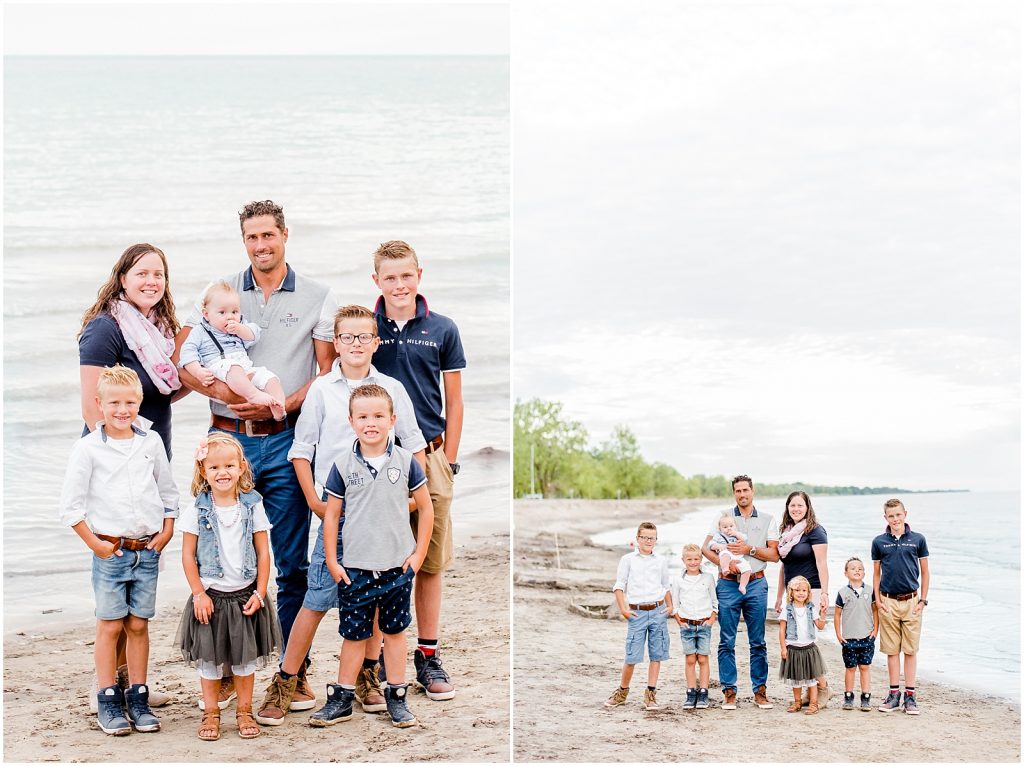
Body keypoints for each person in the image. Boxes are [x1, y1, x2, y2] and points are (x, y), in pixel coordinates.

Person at [176, 199, 337, 711]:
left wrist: (282, 403)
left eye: (269, 235)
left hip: (288, 443)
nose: (261, 245)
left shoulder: (316, 295)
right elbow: (186, 363)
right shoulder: (220, 291)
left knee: (288, 565)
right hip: (227, 442)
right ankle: (225, 671)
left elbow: (325, 376)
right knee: (219, 558)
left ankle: (294, 674)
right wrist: (226, 395)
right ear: (243, 240)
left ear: (285, 234)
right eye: (251, 238)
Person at [256, 305, 427, 726]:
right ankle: (287, 679)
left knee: (375, 601)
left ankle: (368, 677)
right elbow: (301, 449)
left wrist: (405, 501)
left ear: (375, 341)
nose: (354, 345)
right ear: (335, 342)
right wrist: (315, 500)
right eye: (346, 337)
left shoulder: (391, 389)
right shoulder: (321, 389)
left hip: (383, 512)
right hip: (338, 510)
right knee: (316, 598)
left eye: (362, 337)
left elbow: (413, 444)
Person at [79, 243, 183, 712]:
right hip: (112, 466)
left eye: (158, 274)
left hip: (149, 457)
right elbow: (92, 404)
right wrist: (122, 447)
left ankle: (129, 682)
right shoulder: (107, 327)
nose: (151, 281)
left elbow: (158, 396)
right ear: (122, 278)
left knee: (138, 590)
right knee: (115, 589)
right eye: (141, 273)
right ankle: (114, 687)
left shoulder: (160, 332)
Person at [59, 365, 179, 735]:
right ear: (99, 404)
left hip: (148, 549)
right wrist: (96, 545)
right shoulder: (88, 448)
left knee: (139, 624)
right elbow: (71, 507)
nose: (122, 410)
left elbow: (168, 492)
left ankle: (138, 698)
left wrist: (167, 531)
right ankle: (107, 699)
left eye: (129, 402)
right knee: (110, 625)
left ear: (140, 402)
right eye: (114, 403)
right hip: (110, 551)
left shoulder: (150, 441)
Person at [370, 240, 464, 700]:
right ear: (377, 282)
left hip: (429, 456)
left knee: (428, 563)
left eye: (406, 275)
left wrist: (449, 459)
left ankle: (428, 656)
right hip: (380, 460)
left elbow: (455, 398)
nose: (399, 284)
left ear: (419, 275)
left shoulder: (443, 329)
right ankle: (374, 662)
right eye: (390, 277)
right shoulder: (366, 330)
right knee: (378, 561)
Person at [309, 384, 434, 729]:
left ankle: (396, 696)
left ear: (392, 420)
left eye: (379, 416)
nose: (371, 423)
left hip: (396, 567)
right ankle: (342, 698)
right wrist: (334, 562)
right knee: (353, 636)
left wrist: (419, 553)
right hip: (355, 569)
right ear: (351, 421)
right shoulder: (342, 464)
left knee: (394, 634)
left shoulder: (407, 462)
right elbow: (332, 515)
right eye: (363, 416)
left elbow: (426, 508)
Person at [176, 433, 282, 741]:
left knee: (244, 660)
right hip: (210, 597)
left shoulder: (252, 506)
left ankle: (244, 710)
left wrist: (261, 592)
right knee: (209, 661)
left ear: (241, 467)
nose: (222, 473)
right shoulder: (197, 510)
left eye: (229, 466)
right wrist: (198, 593)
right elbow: (187, 555)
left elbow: (263, 552)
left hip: (246, 595)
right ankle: (211, 712)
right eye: (214, 467)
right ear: (203, 472)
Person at [701, 474, 780, 710]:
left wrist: (750, 550)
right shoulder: (723, 516)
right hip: (727, 584)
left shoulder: (767, 519)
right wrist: (725, 565)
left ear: (752, 491)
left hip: (756, 583)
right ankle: (729, 691)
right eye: (738, 491)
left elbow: (775, 555)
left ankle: (760, 691)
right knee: (727, 639)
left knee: (758, 641)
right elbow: (705, 548)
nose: (742, 495)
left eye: (746, 490)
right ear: (734, 493)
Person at [179, 281, 287, 421]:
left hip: (244, 366)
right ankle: (253, 395)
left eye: (234, 311)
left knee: (269, 377)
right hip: (219, 365)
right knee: (233, 367)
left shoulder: (239, 325)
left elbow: (254, 334)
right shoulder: (200, 331)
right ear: (206, 315)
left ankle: (278, 405)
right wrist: (198, 372)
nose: (230, 316)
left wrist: (239, 329)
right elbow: (187, 353)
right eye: (222, 312)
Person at [605, 522, 673, 711]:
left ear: (656, 540)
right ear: (637, 538)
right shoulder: (628, 559)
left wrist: (671, 606)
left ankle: (650, 694)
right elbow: (619, 586)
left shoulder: (660, 561)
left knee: (656, 655)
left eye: (652, 538)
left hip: (658, 611)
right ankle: (622, 692)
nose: (649, 541)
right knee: (632, 655)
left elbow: (666, 586)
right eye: (645, 537)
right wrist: (624, 610)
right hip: (637, 612)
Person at [871, 498, 929, 715]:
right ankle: (894, 694)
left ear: (905, 514)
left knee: (911, 650)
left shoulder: (918, 540)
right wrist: (878, 600)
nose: (895, 519)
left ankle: (910, 696)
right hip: (888, 602)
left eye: (898, 515)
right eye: (891, 516)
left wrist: (923, 600)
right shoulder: (879, 542)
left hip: (912, 602)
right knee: (891, 650)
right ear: (885, 518)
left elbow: (925, 571)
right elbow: (876, 574)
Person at [773, 490, 831, 706]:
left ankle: (822, 688)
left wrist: (824, 593)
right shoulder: (786, 532)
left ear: (808, 507)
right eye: (792, 505)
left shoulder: (815, 531)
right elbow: (784, 567)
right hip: (791, 593)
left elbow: (822, 563)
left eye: (800, 505)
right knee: (796, 641)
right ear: (787, 508)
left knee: (809, 643)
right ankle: (812, 689)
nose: (796, 509)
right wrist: (779, 596)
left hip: (811, 591)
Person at [669, 543, 717, 710]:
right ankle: (691, 692)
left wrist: (711, 619)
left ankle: (703, 692)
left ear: (701, 559)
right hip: (687, 625)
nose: (693, 562)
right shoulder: (678, 580)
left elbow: (714, 601)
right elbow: (675, 603)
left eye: (696, 559)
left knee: (703, 658)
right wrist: (679, 620)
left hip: (704, 623)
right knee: (690, 659)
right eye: (689, 559)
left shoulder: (708, 578)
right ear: (683, 560)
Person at [778, 575, 828, 715]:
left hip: (809, 648)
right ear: (791, 593)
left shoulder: (811, 609)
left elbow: (820, 626)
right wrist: (783, 648)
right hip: (793, 648)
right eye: (797, 590)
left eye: (804, 590)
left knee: (812, 679)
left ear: (808, 593)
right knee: (796, 679)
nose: (801, 593)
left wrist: (823, 614)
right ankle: (797, 702)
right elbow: (782, 630)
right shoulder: (786, 610)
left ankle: (813, 703)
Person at [834, 557, 878, 712]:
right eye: (853, 568)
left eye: (860, 568)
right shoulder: (842, 593)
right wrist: (839, 634)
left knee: (865, 667)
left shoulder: (871, 591)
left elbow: (875, 611)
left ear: (864, 573)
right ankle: (848, 697)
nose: (857, 570)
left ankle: (866, 697)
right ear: (846, 573)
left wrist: (875, 630)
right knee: (850, 668)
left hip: (867, 636)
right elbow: (837, 614)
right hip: (849, 637)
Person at [709, 514, 753, 594]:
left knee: (747, 569)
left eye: (731, 526)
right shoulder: (718, 536)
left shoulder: (737, 534)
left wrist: (736, 534)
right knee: (725, 555)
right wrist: (719, 546)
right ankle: (725, 568)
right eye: (725, 527)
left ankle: (742, 585)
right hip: (726, 552)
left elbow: (745, 539)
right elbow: (711, 545)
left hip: (737, 556)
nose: (729, 528)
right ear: (720, 528)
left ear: (735, 526)